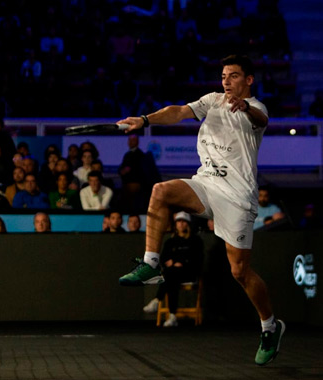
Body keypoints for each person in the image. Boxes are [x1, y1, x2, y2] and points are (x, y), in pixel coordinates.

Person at [116, 55, 285, 365]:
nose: (226, 81)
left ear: (248, 80)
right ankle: (152, 264)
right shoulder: (212, 100)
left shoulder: (257, 108)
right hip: (206, 185)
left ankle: (270, 326)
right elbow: (178, 112)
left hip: (237, 198)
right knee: (161, 191)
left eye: (233, 76)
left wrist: (245, 107)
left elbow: (261, 121)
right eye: (223, 75)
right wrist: (144, 120)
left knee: (240, 272)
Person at [142, 212, 203, 327]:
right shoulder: (170, 242)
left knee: (169, 276)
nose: (181, 224)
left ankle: (157, 301)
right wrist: (174, 263)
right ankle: (172, 316)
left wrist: (182, 262)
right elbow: (164, 258)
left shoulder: (196, 241)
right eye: (178, 221)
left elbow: (196, 259)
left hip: (189, 273)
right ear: (175, 224)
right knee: (171, 277)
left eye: (183, 221)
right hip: (173, 273)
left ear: (188, 224)